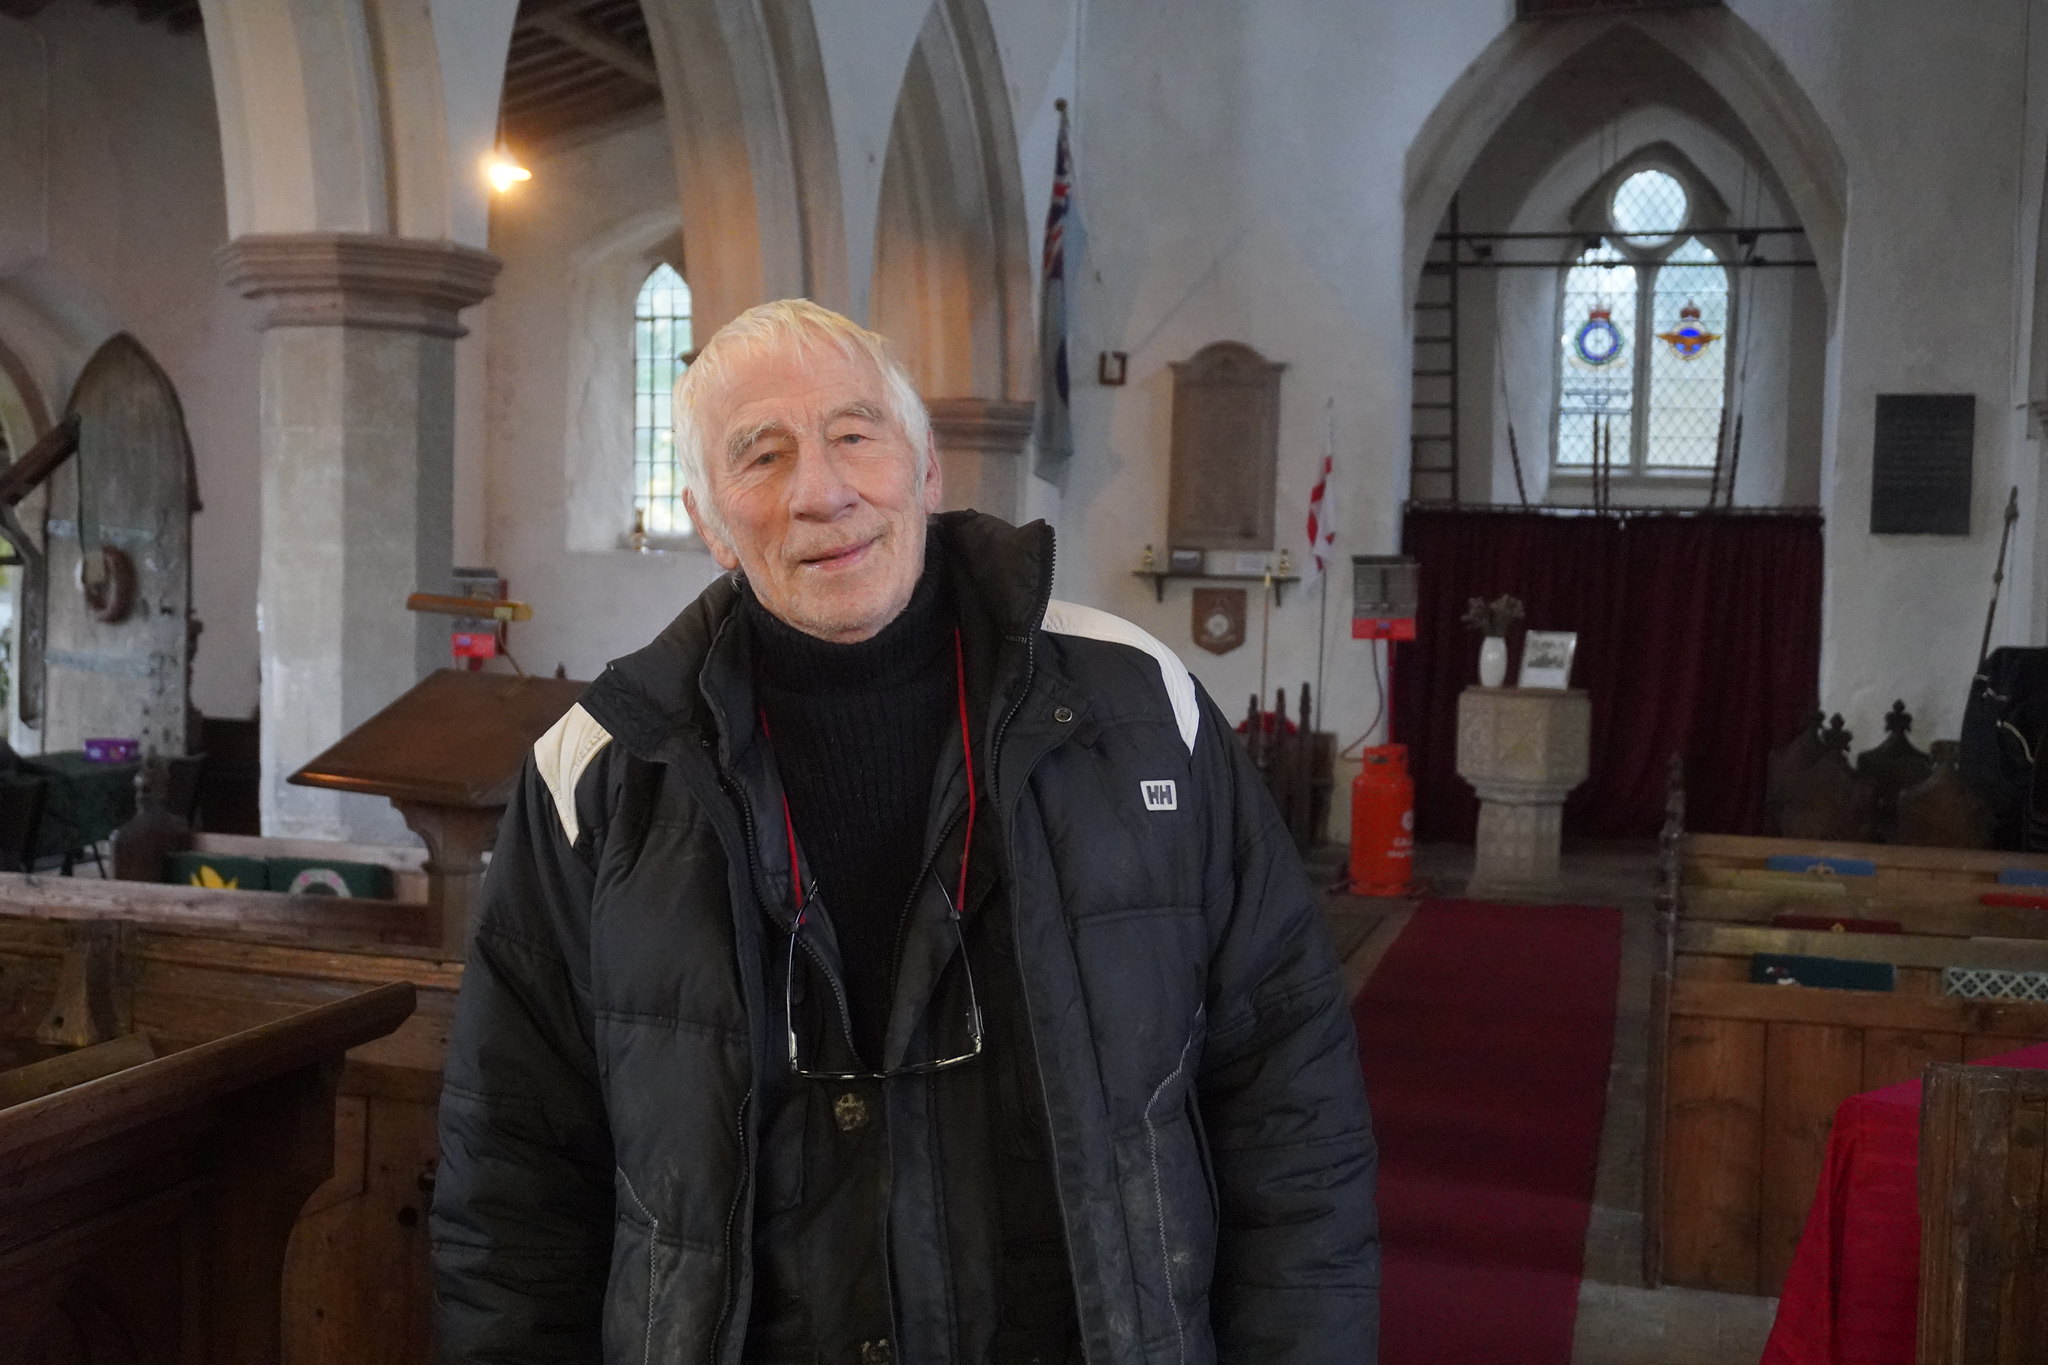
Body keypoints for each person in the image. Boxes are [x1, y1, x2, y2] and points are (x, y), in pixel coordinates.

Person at [430, 299, 1377, 1364]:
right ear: (708, 519)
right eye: (761, 456)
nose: (819, 493)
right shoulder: (599, 769)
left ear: (925, 469)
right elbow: (513, 1175)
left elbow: (1289, 1103)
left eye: (853, 435)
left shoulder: (1143, 713)